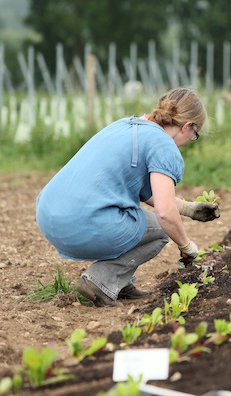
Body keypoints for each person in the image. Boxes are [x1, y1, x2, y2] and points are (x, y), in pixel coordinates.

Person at [36, 87, 220, 307]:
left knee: (136, 218)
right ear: (187, 126)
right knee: (161, 230)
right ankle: (101, 281)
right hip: (81, 223)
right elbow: (165, 212)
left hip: (49, 216)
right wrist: (187, 246)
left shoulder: (127, 125)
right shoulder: (163, 144)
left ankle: (121, 283)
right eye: (195, 134)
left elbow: (147, 192)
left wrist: (188, 208)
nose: (192, 139)